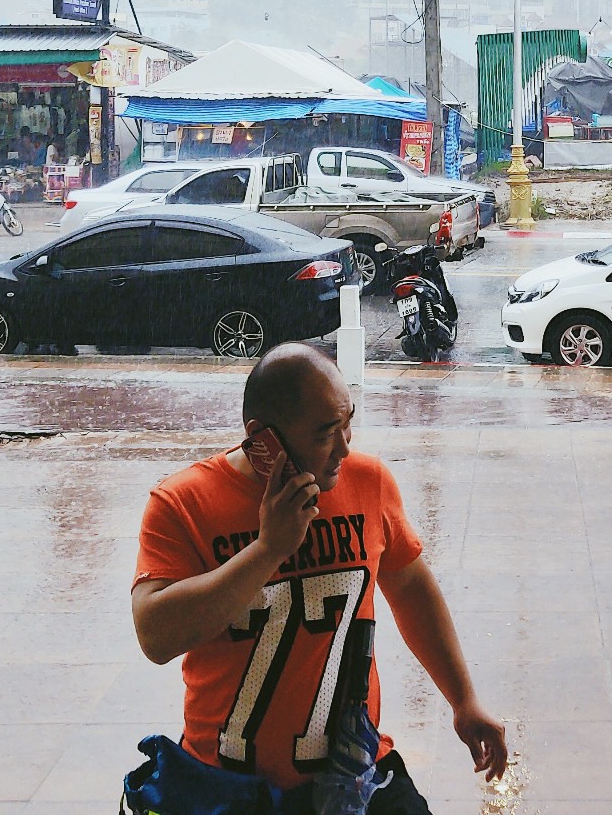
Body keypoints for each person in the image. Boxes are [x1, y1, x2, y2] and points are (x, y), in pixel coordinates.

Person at [131, 345, 507, 812]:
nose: (346, 446)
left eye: (347, 420)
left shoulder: (369, 482)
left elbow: (410, 588)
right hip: (229, 786)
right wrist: (267, 550)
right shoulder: (183, 503)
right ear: (262, 438)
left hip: (358, 772)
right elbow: (155, 635)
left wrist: (463, 699)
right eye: (326, 433)